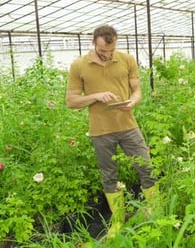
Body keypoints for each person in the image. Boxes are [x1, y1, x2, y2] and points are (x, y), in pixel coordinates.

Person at [65, 24, 157, 238]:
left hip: (128, 125)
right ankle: (117, 222)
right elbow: (71, 101)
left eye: (111, 50)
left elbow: (137, 90)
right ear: (93, 43)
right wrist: (95, 96)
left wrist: (132, 102)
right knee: (109, 175)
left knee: (145, 167)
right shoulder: (79, 66)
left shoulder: (126, 60)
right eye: (102, 51)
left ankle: (155, 211)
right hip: (100, 130)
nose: (107, 55)